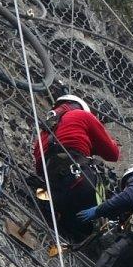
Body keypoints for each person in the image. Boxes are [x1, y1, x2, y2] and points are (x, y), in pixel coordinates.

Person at [30, 94, 120, 243]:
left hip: (53, 192)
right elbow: (113, 154)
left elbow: (41, 166)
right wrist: (113, 143)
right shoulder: (82, 115)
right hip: (81, 183)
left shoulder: (43, 135)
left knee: (76, 225)